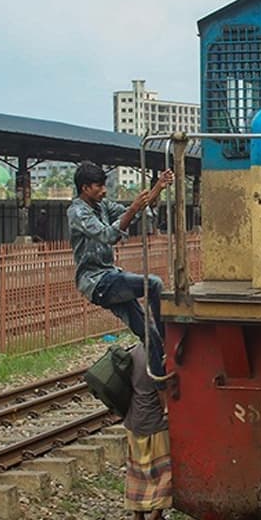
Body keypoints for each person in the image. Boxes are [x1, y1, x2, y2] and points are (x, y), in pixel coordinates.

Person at [68, 161, 175, 386]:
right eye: (99, 186)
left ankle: (162, 392)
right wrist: (135, 207)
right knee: (154, 284)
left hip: (110, 276)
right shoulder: (78, 212)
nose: (104, 190)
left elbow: (136, 213)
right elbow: (108, 235)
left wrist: (158, 188)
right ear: (85, 188)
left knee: (149, 336)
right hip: (97, 282)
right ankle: (170, 340)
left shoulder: (102, 206)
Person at [123, 343, 172, 520]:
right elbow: (162, 391)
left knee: (137, 473)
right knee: (165, 471)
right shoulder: (158, 355)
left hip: (133, 421)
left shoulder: (134, 351)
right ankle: (155, 517)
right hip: (154, 422)